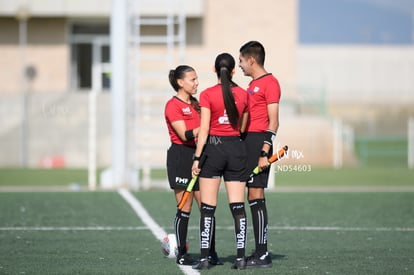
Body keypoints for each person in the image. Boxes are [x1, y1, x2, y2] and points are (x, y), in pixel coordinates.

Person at [191, 53, 249, 270]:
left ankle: (205, 258)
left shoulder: (207, 95)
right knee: (237, 207)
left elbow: (204, 130)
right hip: (236, 149)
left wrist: (197, 157)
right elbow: (242, 128)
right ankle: (241, 258)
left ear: (215, 70)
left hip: (213, 150)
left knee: (207, 208)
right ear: (233, 71)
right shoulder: (243, 94)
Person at [165, 65, 222, 266]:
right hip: (181, 157)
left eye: (197, 79)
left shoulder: (198, 104)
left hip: (200, 156)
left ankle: (210, 252)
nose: (197, 83)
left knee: (206, 207)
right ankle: (181, 252)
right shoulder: (172, 105)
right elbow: (185, 134)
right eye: (192, 79)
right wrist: (207, 126)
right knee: (184, 207)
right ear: (180, 83)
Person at [238, 41, 281, 268]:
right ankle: (258, 251)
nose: (241, 66)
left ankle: (263, 254)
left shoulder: (270, 82)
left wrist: (264, 151)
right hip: (246, 143)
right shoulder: (252, 84)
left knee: (257, 194)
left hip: (258, 144)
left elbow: (273, 121)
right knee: (250, 196)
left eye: (242, 61)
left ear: (251, 60)